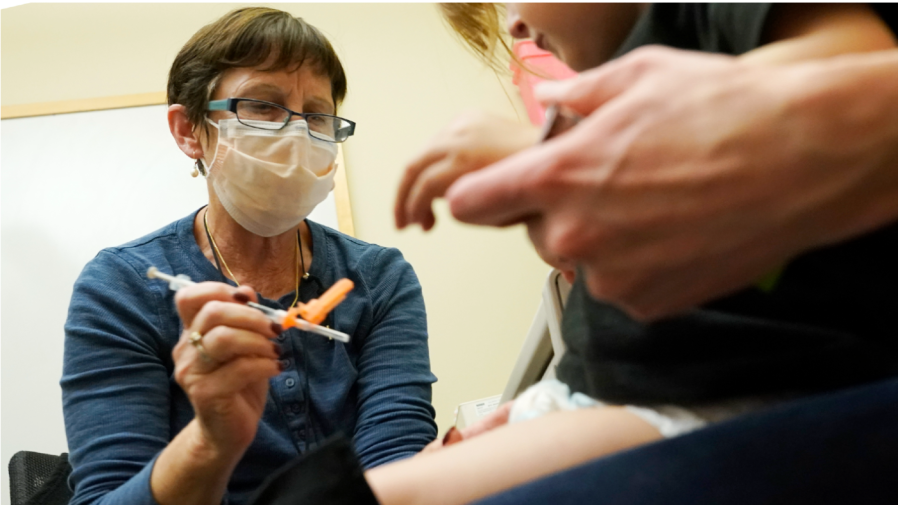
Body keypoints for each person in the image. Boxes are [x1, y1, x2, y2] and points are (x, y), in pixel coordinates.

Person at [356, 3, 898, 505]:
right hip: (610, 394)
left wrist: (546, 155)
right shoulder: (633, 73)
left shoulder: (696, 13)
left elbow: (848, 74)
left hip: (710, 399)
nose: (515, 26)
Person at [61, 8, 436, 505]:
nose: (298, 134)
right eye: (263, 106)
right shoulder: (120, 288)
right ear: (189, 130)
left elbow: (396, 459)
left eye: (318, 114)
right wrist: (210, 441)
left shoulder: (378, 277)